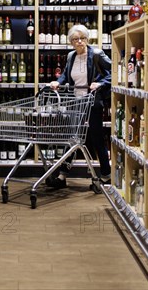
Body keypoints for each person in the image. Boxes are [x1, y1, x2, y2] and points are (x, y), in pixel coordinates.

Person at [47, 24, 112, 190]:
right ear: (71, 42)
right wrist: (58, 82)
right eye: (75, 39)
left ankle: (106, 175)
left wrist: (100, 84)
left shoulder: (97, 54)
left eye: (82, 38)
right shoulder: (71, 56)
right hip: (77, 102)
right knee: (72, 139)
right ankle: (62, 176)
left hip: (92, 103)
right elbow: (65, 74)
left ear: (87, 39)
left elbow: (114, 73)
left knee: (97, 139)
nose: (79, 42)